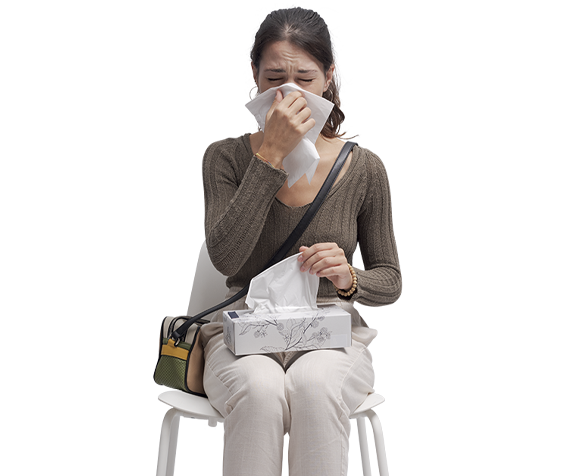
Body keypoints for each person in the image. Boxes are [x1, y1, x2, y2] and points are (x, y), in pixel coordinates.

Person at [199, 6, 402, 476]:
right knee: (260, 390)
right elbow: (225, 255)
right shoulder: (225, 159)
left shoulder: (363, 168)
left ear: (328, 78)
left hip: (331, 334)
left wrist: (348, 277)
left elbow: (390, 280)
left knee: (313, 386)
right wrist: (269, 154)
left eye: (305, 79)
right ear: (253, 75)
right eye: (274, 78)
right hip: (244, 331)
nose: (289, 93)